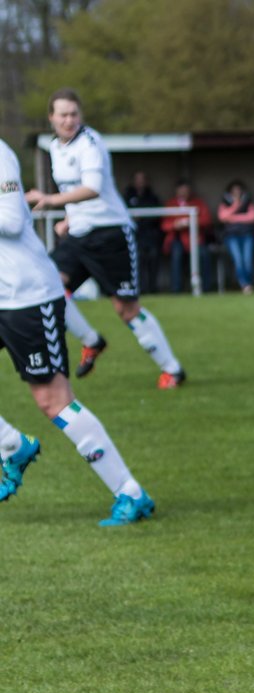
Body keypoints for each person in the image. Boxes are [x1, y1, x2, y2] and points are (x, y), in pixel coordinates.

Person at [1, 136, 154, 524]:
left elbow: (14, 220)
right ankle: (11, 446)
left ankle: (130, 493)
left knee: (53, 401)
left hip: (27, 296)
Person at [25, 89, 187, 389]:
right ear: (51, 118)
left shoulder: (90, 142)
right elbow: (77, 192)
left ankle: (173, 369)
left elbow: (93, 188)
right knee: (47, 285)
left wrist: (49, 199)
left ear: (80, 115)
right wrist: (70, 218)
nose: (69, 120)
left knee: (126, 309)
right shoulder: (54, 147)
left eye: (74, 114)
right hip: (80, 235)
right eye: (63, 114)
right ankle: (92, 340)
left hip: (111, 234)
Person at [160, 178, 213, 295]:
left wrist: (191, 221)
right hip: (176, 238)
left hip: (195, 239)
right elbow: (164, 225)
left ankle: (206, 288)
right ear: (176, 191)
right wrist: (176, 224)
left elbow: (207, 220)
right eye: (181, 190)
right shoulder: (171, 203)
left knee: (204, 255)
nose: (184, 193)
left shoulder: (198, 202)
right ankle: (176, 289)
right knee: (176, 255)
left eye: (186, 190)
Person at [123, 171, 162, 294]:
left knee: (153, 255)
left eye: (142, 179)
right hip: (133, 235)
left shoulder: (152, 196)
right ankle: (139, 288)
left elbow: (156, 217)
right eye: (137, 179)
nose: (140, 182)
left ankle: (152, 288)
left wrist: (143, 219)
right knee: (137, 258)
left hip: (149, 235)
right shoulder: (127, 196)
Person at [217, 179, 254, 294]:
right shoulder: (224, 204)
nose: (236, 193)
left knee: (247, 260)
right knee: (238, 260)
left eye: (238, 190)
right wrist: (236, 205)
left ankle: (249, 283)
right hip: (231, 236)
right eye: (234, 191)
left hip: (247, 235)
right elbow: (222, 217)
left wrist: (233, 218)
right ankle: (244, 285)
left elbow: (253, 217)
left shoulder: (248, 202)